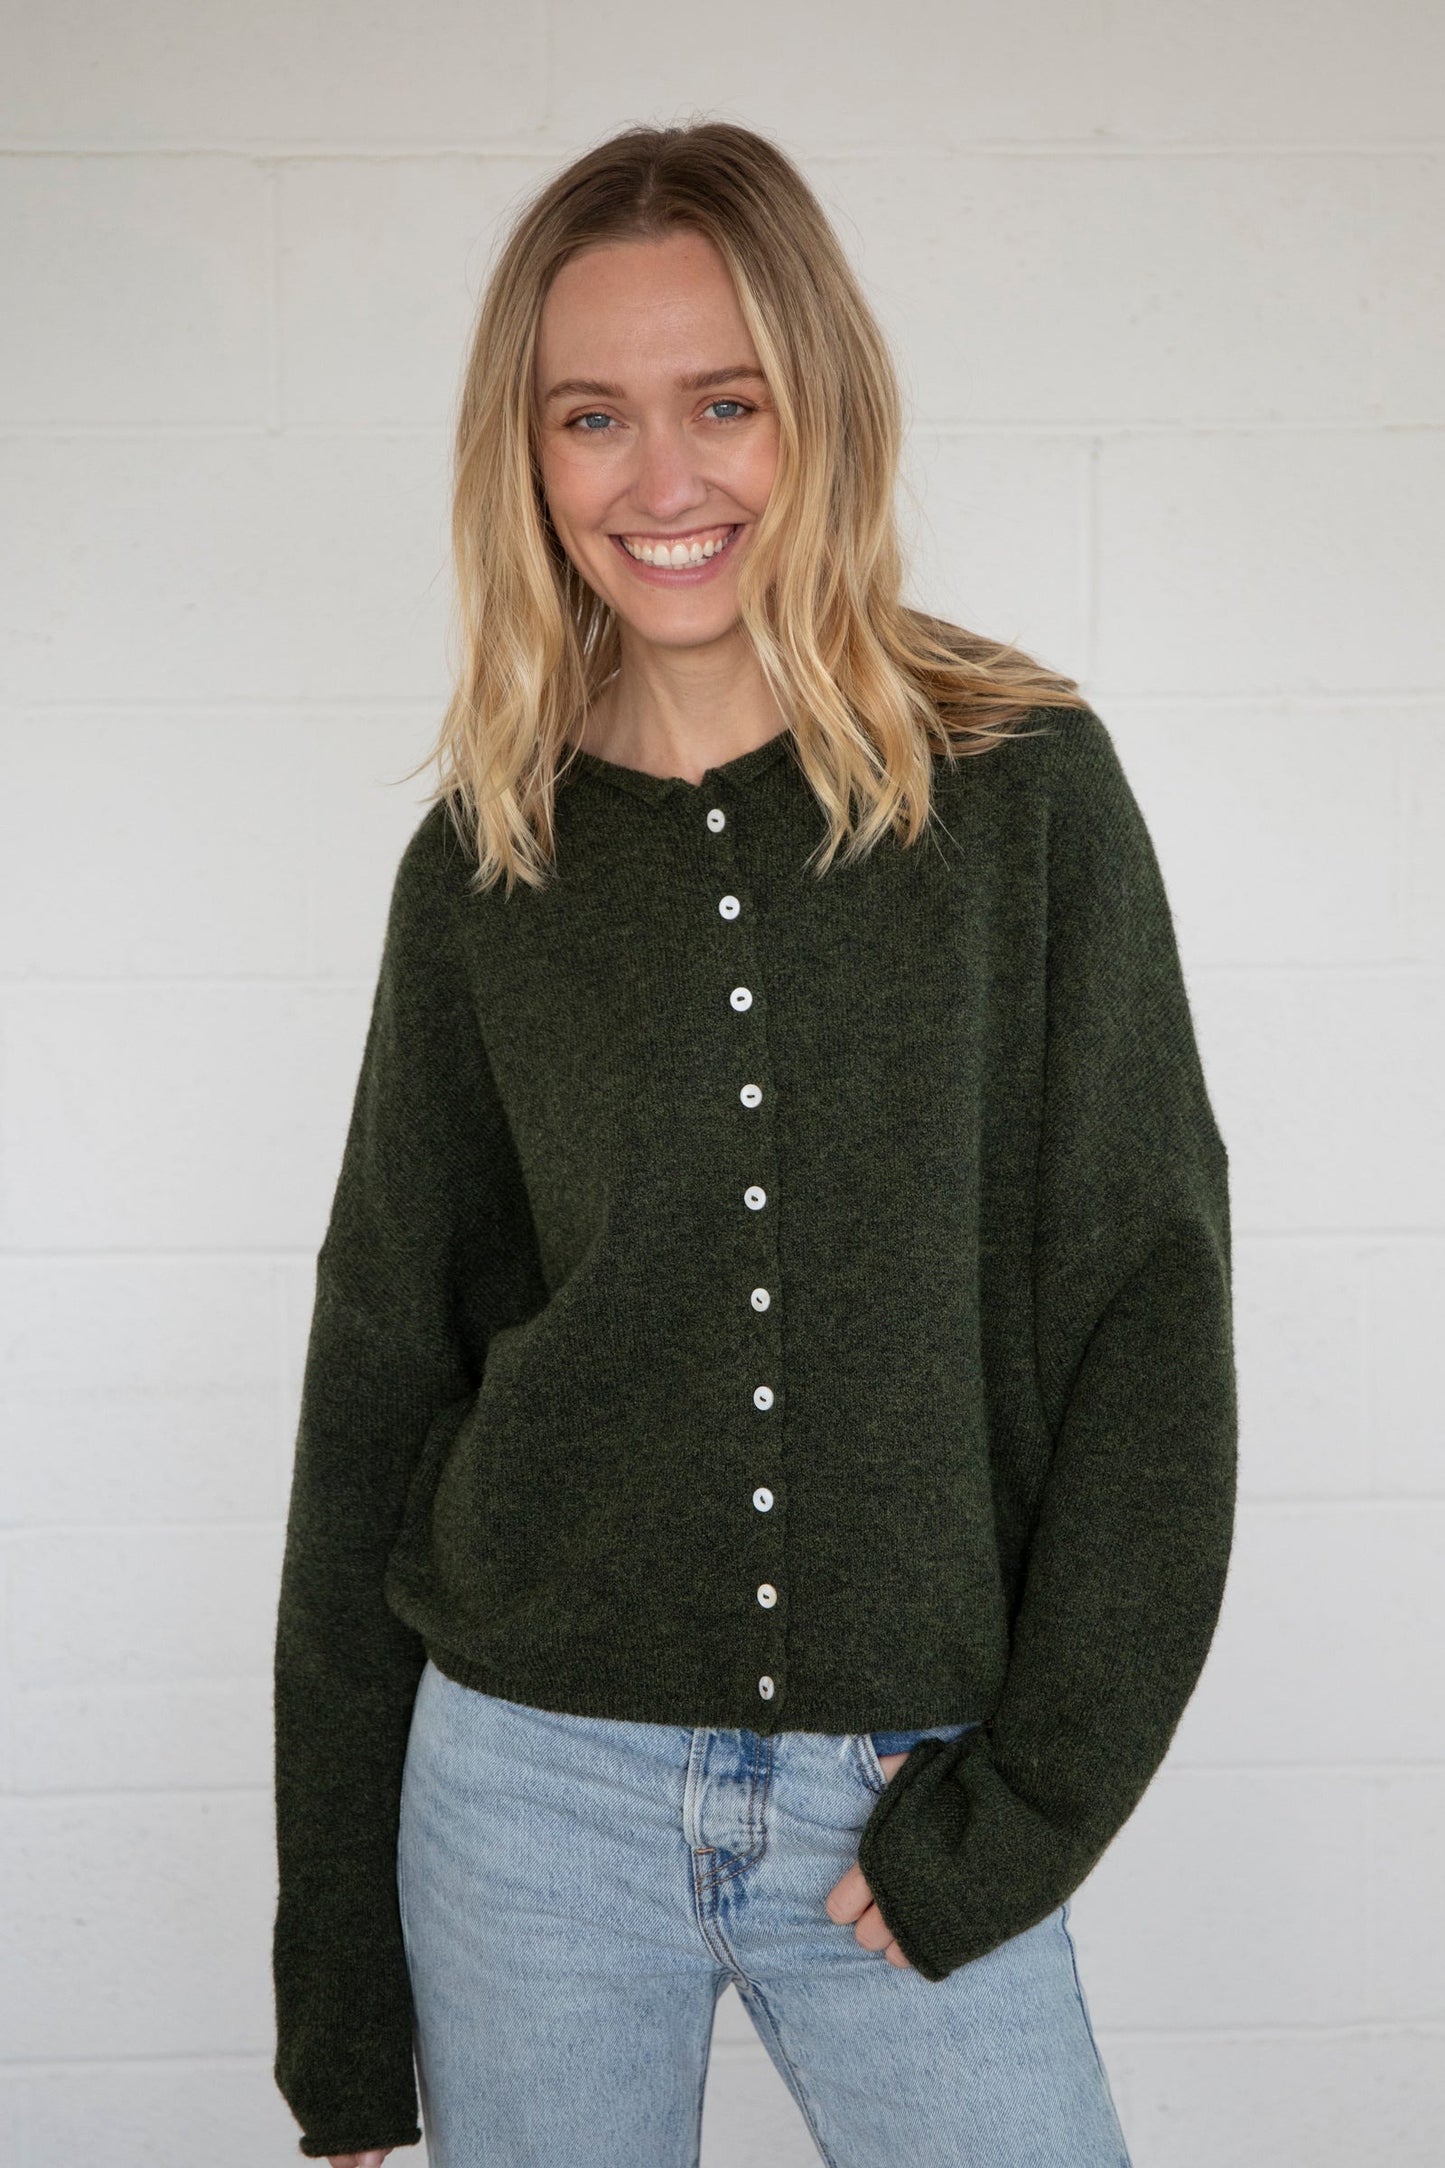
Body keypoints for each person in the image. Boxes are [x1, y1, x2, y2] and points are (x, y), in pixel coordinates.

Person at [270, 120, 1236, 2168]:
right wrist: (339, 1993)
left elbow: (1148, 1319)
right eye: (592, 417)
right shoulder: (484, 864)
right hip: (526, 1791)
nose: (663, 478)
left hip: (906, 1792)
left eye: (726, 402)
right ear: (524, 456)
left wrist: (1032, 1801)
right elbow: (380, 1389)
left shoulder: (1022, 794)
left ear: (824, 404)